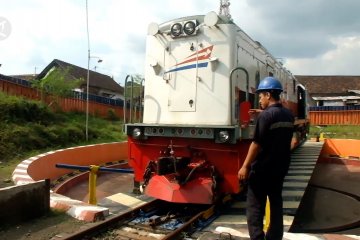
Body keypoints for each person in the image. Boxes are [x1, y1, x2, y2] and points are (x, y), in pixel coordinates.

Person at [238, 76, 294, 240]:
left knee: (255, 206)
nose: (260, 99)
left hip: (263, 169)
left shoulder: (266, 117)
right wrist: (263, 112)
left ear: (269, 95)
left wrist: (245, 166)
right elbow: (276, 115)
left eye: (261, 95)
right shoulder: (288, 115)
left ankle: (257, 237)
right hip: (280, 167)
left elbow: (256, 144)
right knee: (276, 202)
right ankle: (275, 237)